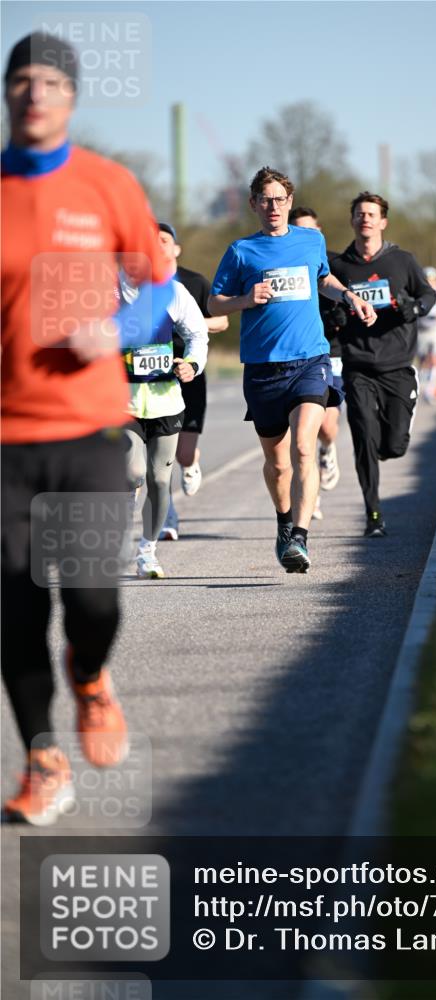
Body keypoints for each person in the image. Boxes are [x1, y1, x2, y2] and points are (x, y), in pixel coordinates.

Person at [1, 32, 173, 824]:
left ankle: (93, 678)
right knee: (16, 608)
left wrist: (124, 328)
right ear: (7, 94)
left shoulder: (106, 184)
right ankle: (42, 759)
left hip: (87, 428)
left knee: (93, 600)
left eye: (50, 82)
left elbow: (154, 284)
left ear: (70, 97)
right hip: (6, 441)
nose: (35, 94)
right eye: (21, 81)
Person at [208, 167, 375, 573]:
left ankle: (300, 536)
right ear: (253, 205)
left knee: (304, 446)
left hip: (310, 360)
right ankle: (284, 522)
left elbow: (323, 279)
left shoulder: (311, 240)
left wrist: (350, 296)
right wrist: (245, 299)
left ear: (288, 201)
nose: (273, 206)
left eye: (280, 199)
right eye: (265, 199)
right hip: (263, 368)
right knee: (278, 463)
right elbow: (215, 305)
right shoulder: (241, 251)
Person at [330, 192, 436, 537]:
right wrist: (336, 316)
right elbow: (325, 306)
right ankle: (373, 513)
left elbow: (428, 296)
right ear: (352, 220)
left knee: (392, 445)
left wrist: (414, 309)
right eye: (359, 214)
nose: (365, 219)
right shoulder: (340, 267)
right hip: (357, 363)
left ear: (382, 221)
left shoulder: (402, 261)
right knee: (363, 437)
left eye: (371, 214)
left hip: (397, 365)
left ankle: (391, 437)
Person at [119, 224, 208, 578]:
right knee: (133, 471)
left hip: (166, 401)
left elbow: (197, 333)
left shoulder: (173, 292)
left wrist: (191, 364)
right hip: (120, 403)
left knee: (158, 479)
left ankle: (147, 551)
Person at [156, 223, 229, 542]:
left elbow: (223, 320)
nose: (156, 246)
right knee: (158, 458)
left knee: (183, 454)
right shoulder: (135, 282)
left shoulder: (194, 282)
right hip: (151, 377)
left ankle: (191, 463)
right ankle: (167, 514)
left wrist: (187, 323)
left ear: (176, 248)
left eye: (163, 241)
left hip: (188, 372)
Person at [288, 206, 343, 519]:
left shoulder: (333, 263)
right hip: (297, 354)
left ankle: (329, 449)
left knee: (326, 426)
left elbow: (349, 296)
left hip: (331, 351)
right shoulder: (284, 261)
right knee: (300, 435)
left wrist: (341, 315)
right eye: (299, 230)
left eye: (310, 230)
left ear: (320, 231)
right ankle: (312, 498)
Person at [416, 266, 436, 403]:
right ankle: (421, 388)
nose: (430, 282)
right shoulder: (417, 291)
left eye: (433, 279)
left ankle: (431, 391)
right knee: (423, 362)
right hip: (421, 330)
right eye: (427, 279)